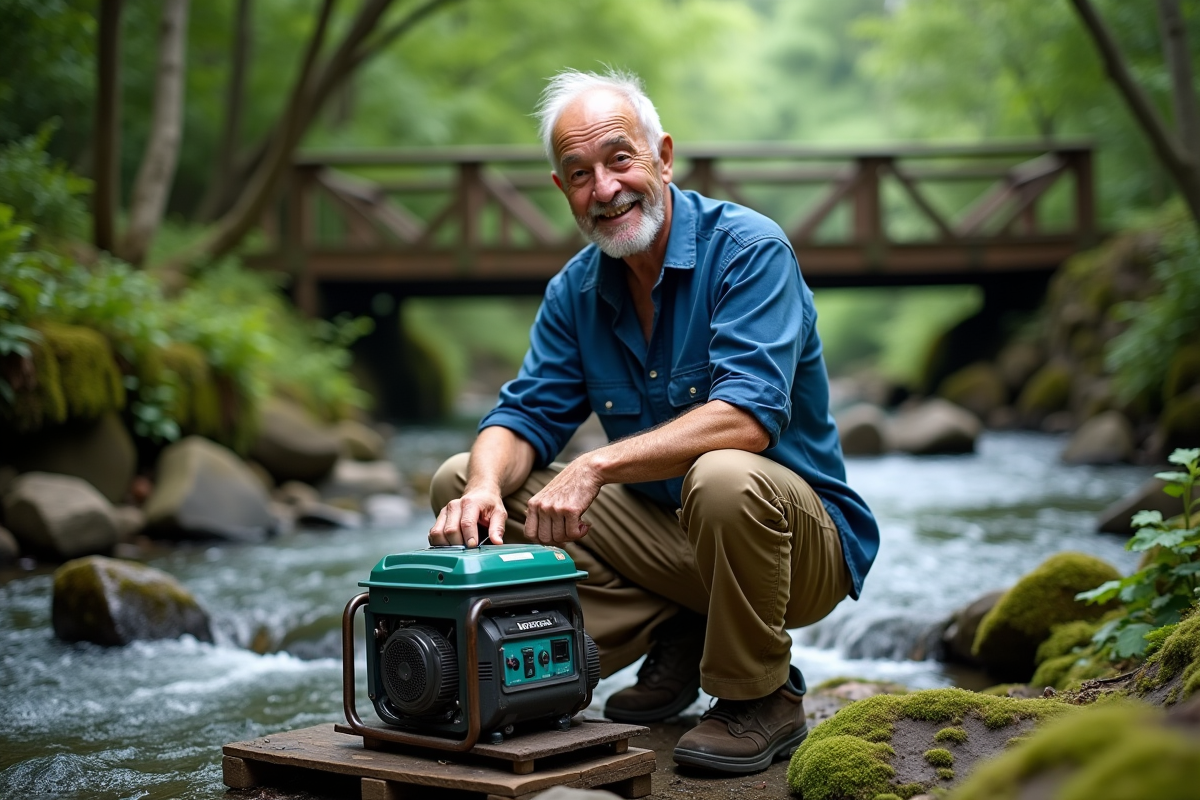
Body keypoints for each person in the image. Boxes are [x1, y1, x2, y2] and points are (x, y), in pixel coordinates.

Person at [429, 69, 879, 775]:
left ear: (663, 157)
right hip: (672, 544)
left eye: (619, 159)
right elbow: (521, 414)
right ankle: (674, 632)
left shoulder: (750, 250)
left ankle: (760, 696)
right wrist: (485, 485)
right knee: (460, 478)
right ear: (562, 191)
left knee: (725, 475)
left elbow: (748, 418)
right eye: (580, 174)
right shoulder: (574, 290)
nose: (604, 189)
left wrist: (596, 464)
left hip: (797, 549)